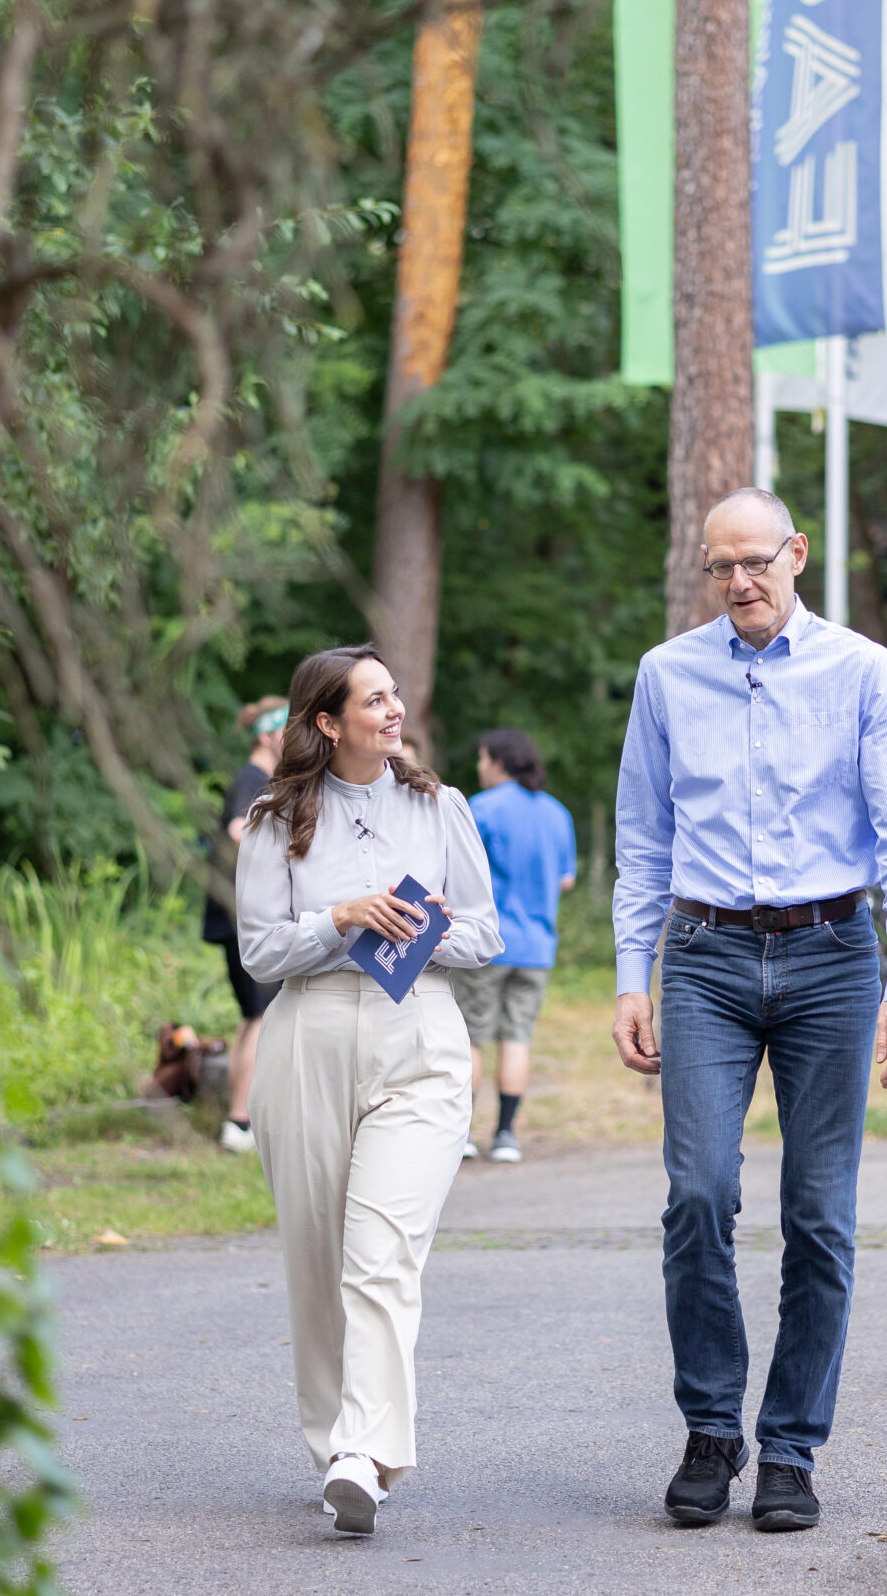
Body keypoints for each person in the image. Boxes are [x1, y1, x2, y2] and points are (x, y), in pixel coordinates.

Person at [611, 488, 887, 1534]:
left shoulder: (860, 670)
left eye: (756, 561)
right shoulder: (667, 676)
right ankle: (712, 1428)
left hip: (833, 957)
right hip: (704, 956)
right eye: (720, 567)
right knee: (699, 1196)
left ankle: (792, 1447)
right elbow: (643, 838)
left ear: (796, 555)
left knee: (818, 1215)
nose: (739, 582)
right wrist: (634, 973)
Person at [236, 645, 502, 1536]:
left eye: (395, 696)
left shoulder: (440, 806)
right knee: (317, 1261)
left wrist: (415, 922)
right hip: (306, 1034)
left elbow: (485, 934)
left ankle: (364, 1447)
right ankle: (338, 1449)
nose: (395, 711)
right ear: (327, 721)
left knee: (380, 1248)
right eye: (375, 699)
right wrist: (342, 916)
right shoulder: (276, 818)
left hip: (418, 1034)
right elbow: (261, 952)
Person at [458, 727, 578, 1164]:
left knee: (471, 1036)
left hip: (487, 943)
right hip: (538, 946)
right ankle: (506, 1134)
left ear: (497, 762)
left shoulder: (482, 808)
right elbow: (566, 879)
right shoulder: (557, 814)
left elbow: (459, 870)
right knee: (517, 1038)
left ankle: (464, 1135)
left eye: (483, 759)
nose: (479, 767)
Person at [204, 697, 287, 1152]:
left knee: (253, 1017)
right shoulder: (252, 781)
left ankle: (239, 1120)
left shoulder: (260, 779)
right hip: (244, 918)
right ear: (266, 735)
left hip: (240, 917)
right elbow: (241, 828)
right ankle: (239, 1121)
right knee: (261, 1017)